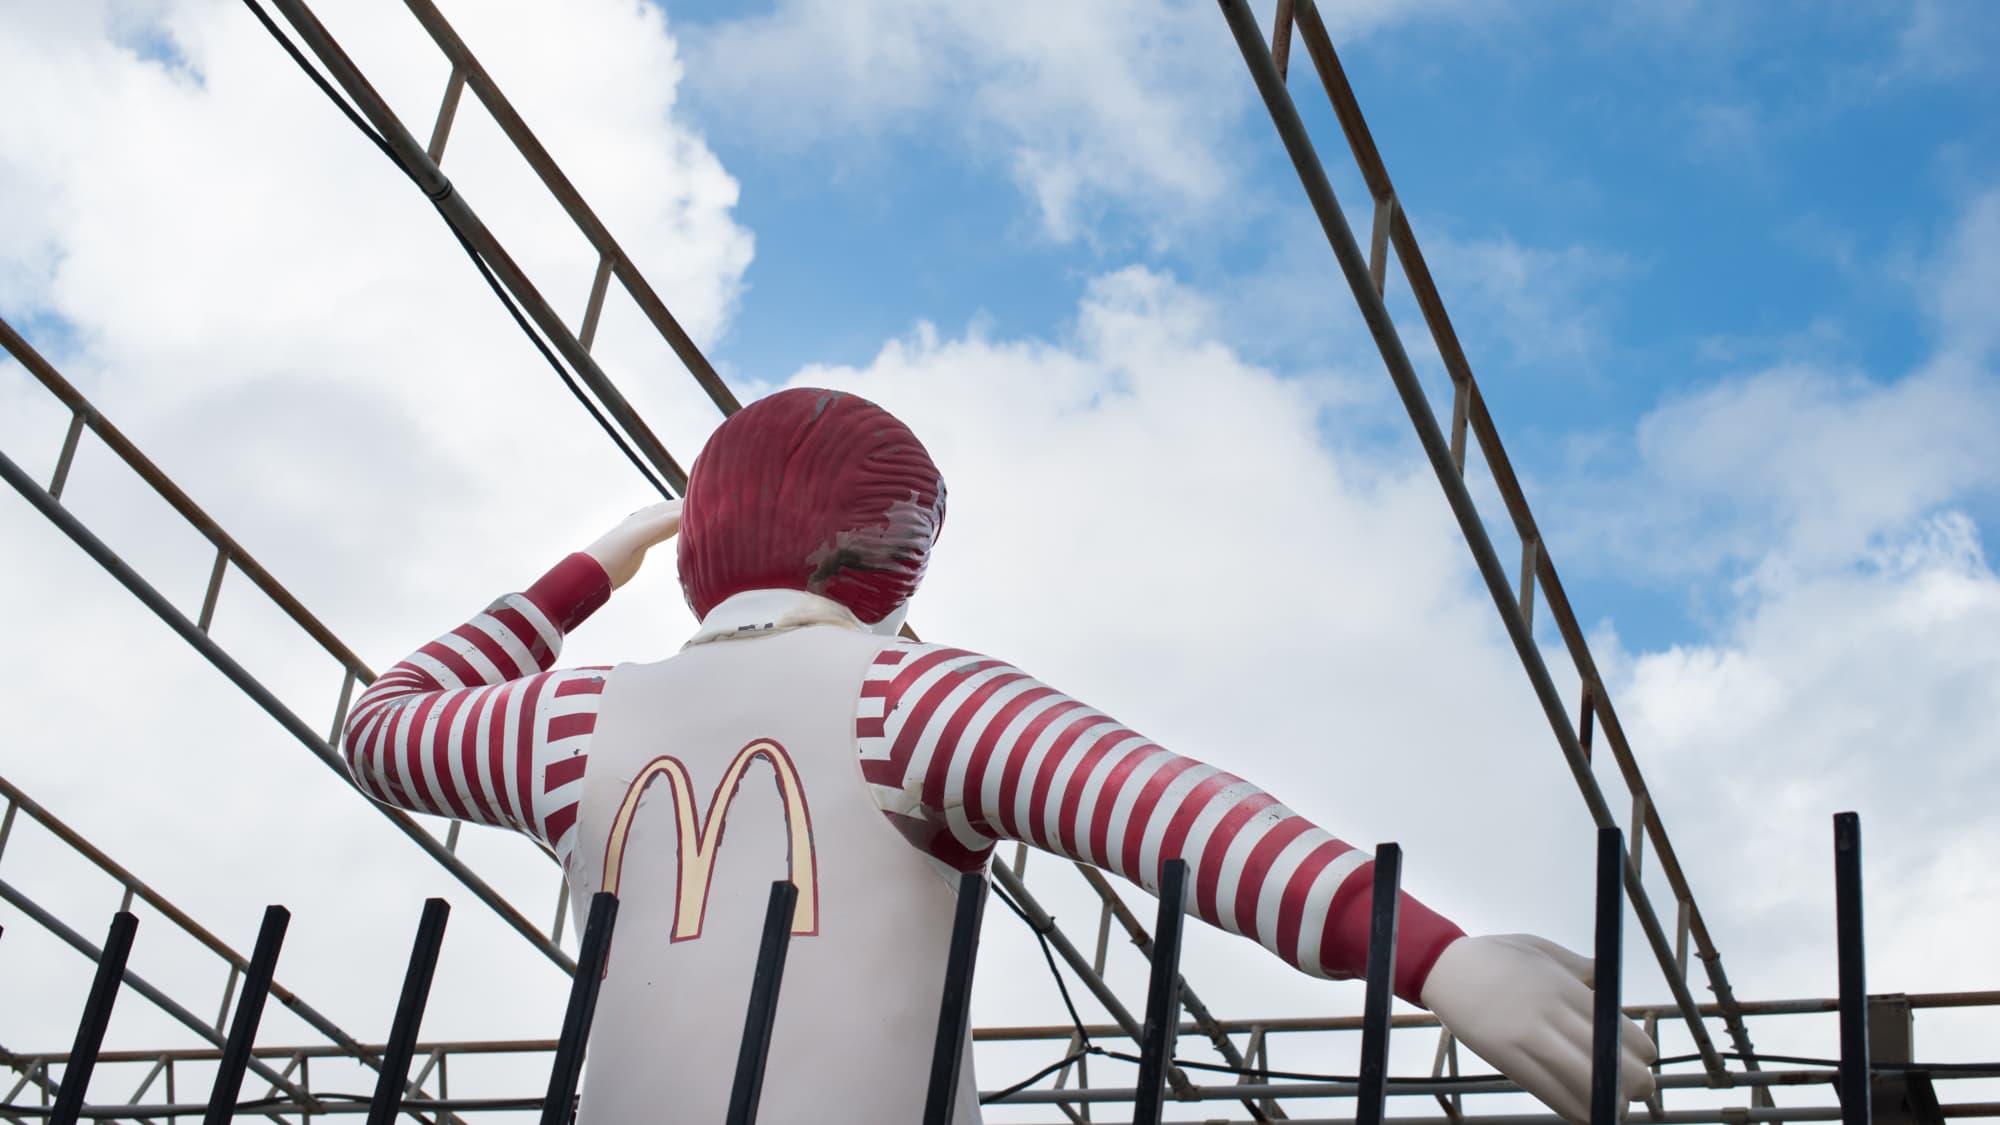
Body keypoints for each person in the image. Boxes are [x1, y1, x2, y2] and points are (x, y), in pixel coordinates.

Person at [341, 387, 1655, 1123]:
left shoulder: (565, 725)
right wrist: (1431, 955)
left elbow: (383, 721)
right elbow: (1176, 816)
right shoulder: (911, 697)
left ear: (697, 557)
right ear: (900, 563)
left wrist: (592, 567)